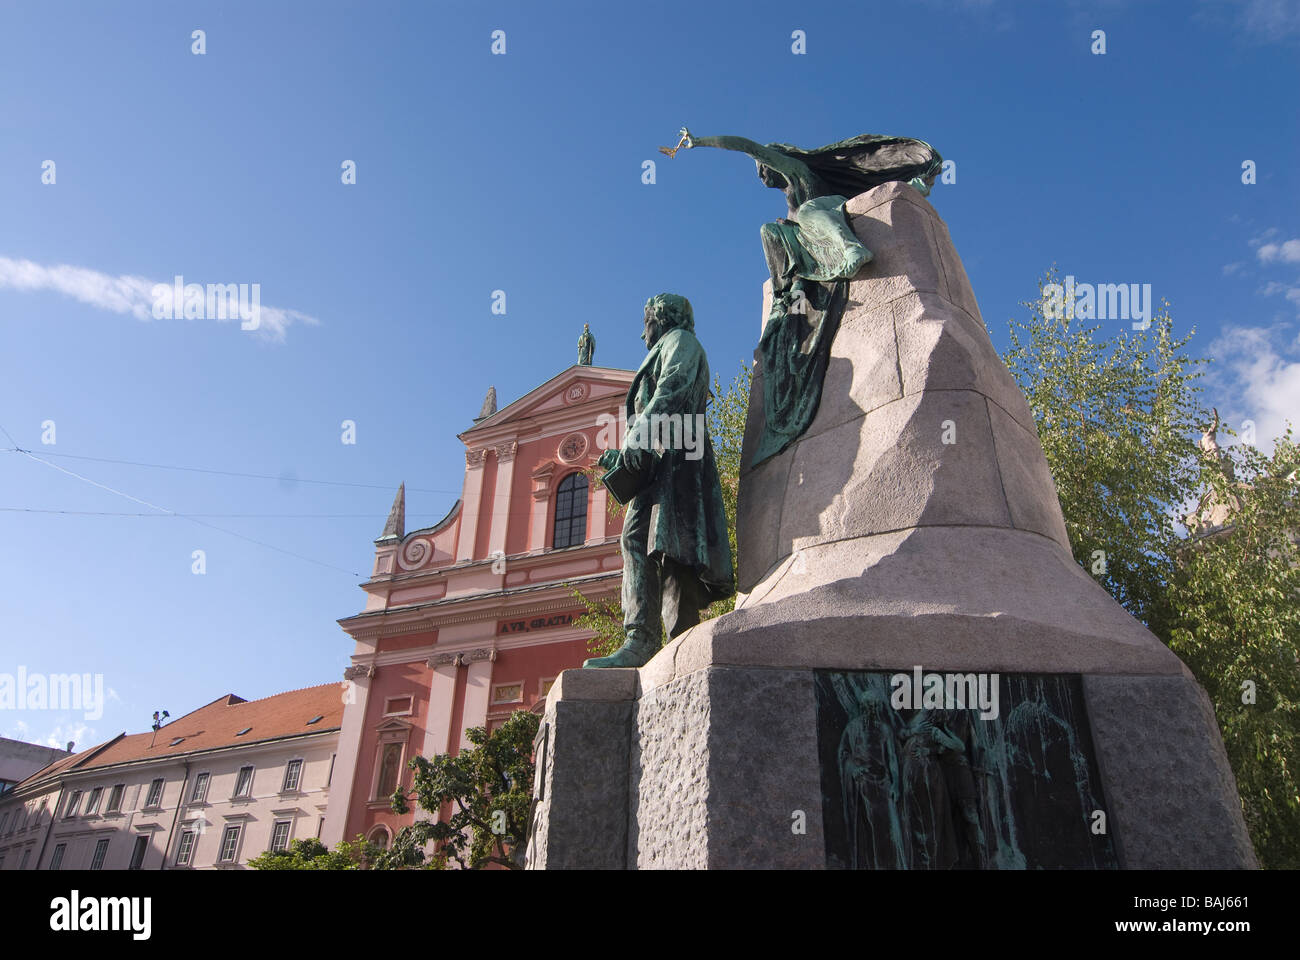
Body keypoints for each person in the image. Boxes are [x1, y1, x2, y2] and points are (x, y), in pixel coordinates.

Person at [584, 294, 734, 669]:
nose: (640, 334)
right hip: (665, 457)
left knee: (663, 544)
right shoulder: (671, 344)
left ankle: (654, 640)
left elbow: (673, 389)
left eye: (645, 322)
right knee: (655, 542)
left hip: (680, 455)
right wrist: (626, 456)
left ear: (661, 319)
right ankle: (655, 640)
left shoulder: (681, 342)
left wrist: (635, 440)